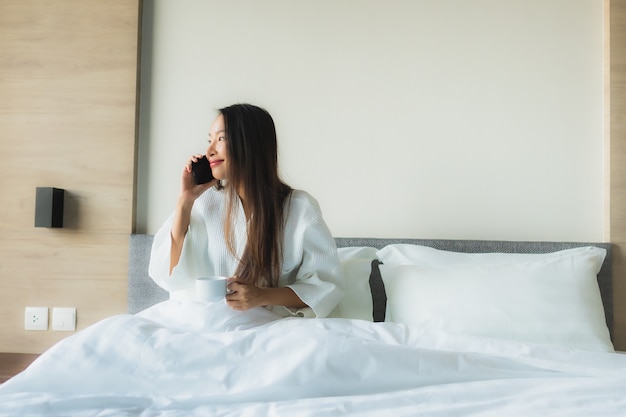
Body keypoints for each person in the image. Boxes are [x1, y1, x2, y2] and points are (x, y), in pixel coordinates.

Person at [148, 103, 343, 318]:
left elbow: (325, 287)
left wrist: (263, 296)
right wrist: (184, 202)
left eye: (220, 139)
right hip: (202, 322)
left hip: (265, 326)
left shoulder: (299, 208)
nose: (210, 150)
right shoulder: (203, 203)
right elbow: (168, 277)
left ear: (250, 143)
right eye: (209, 140)